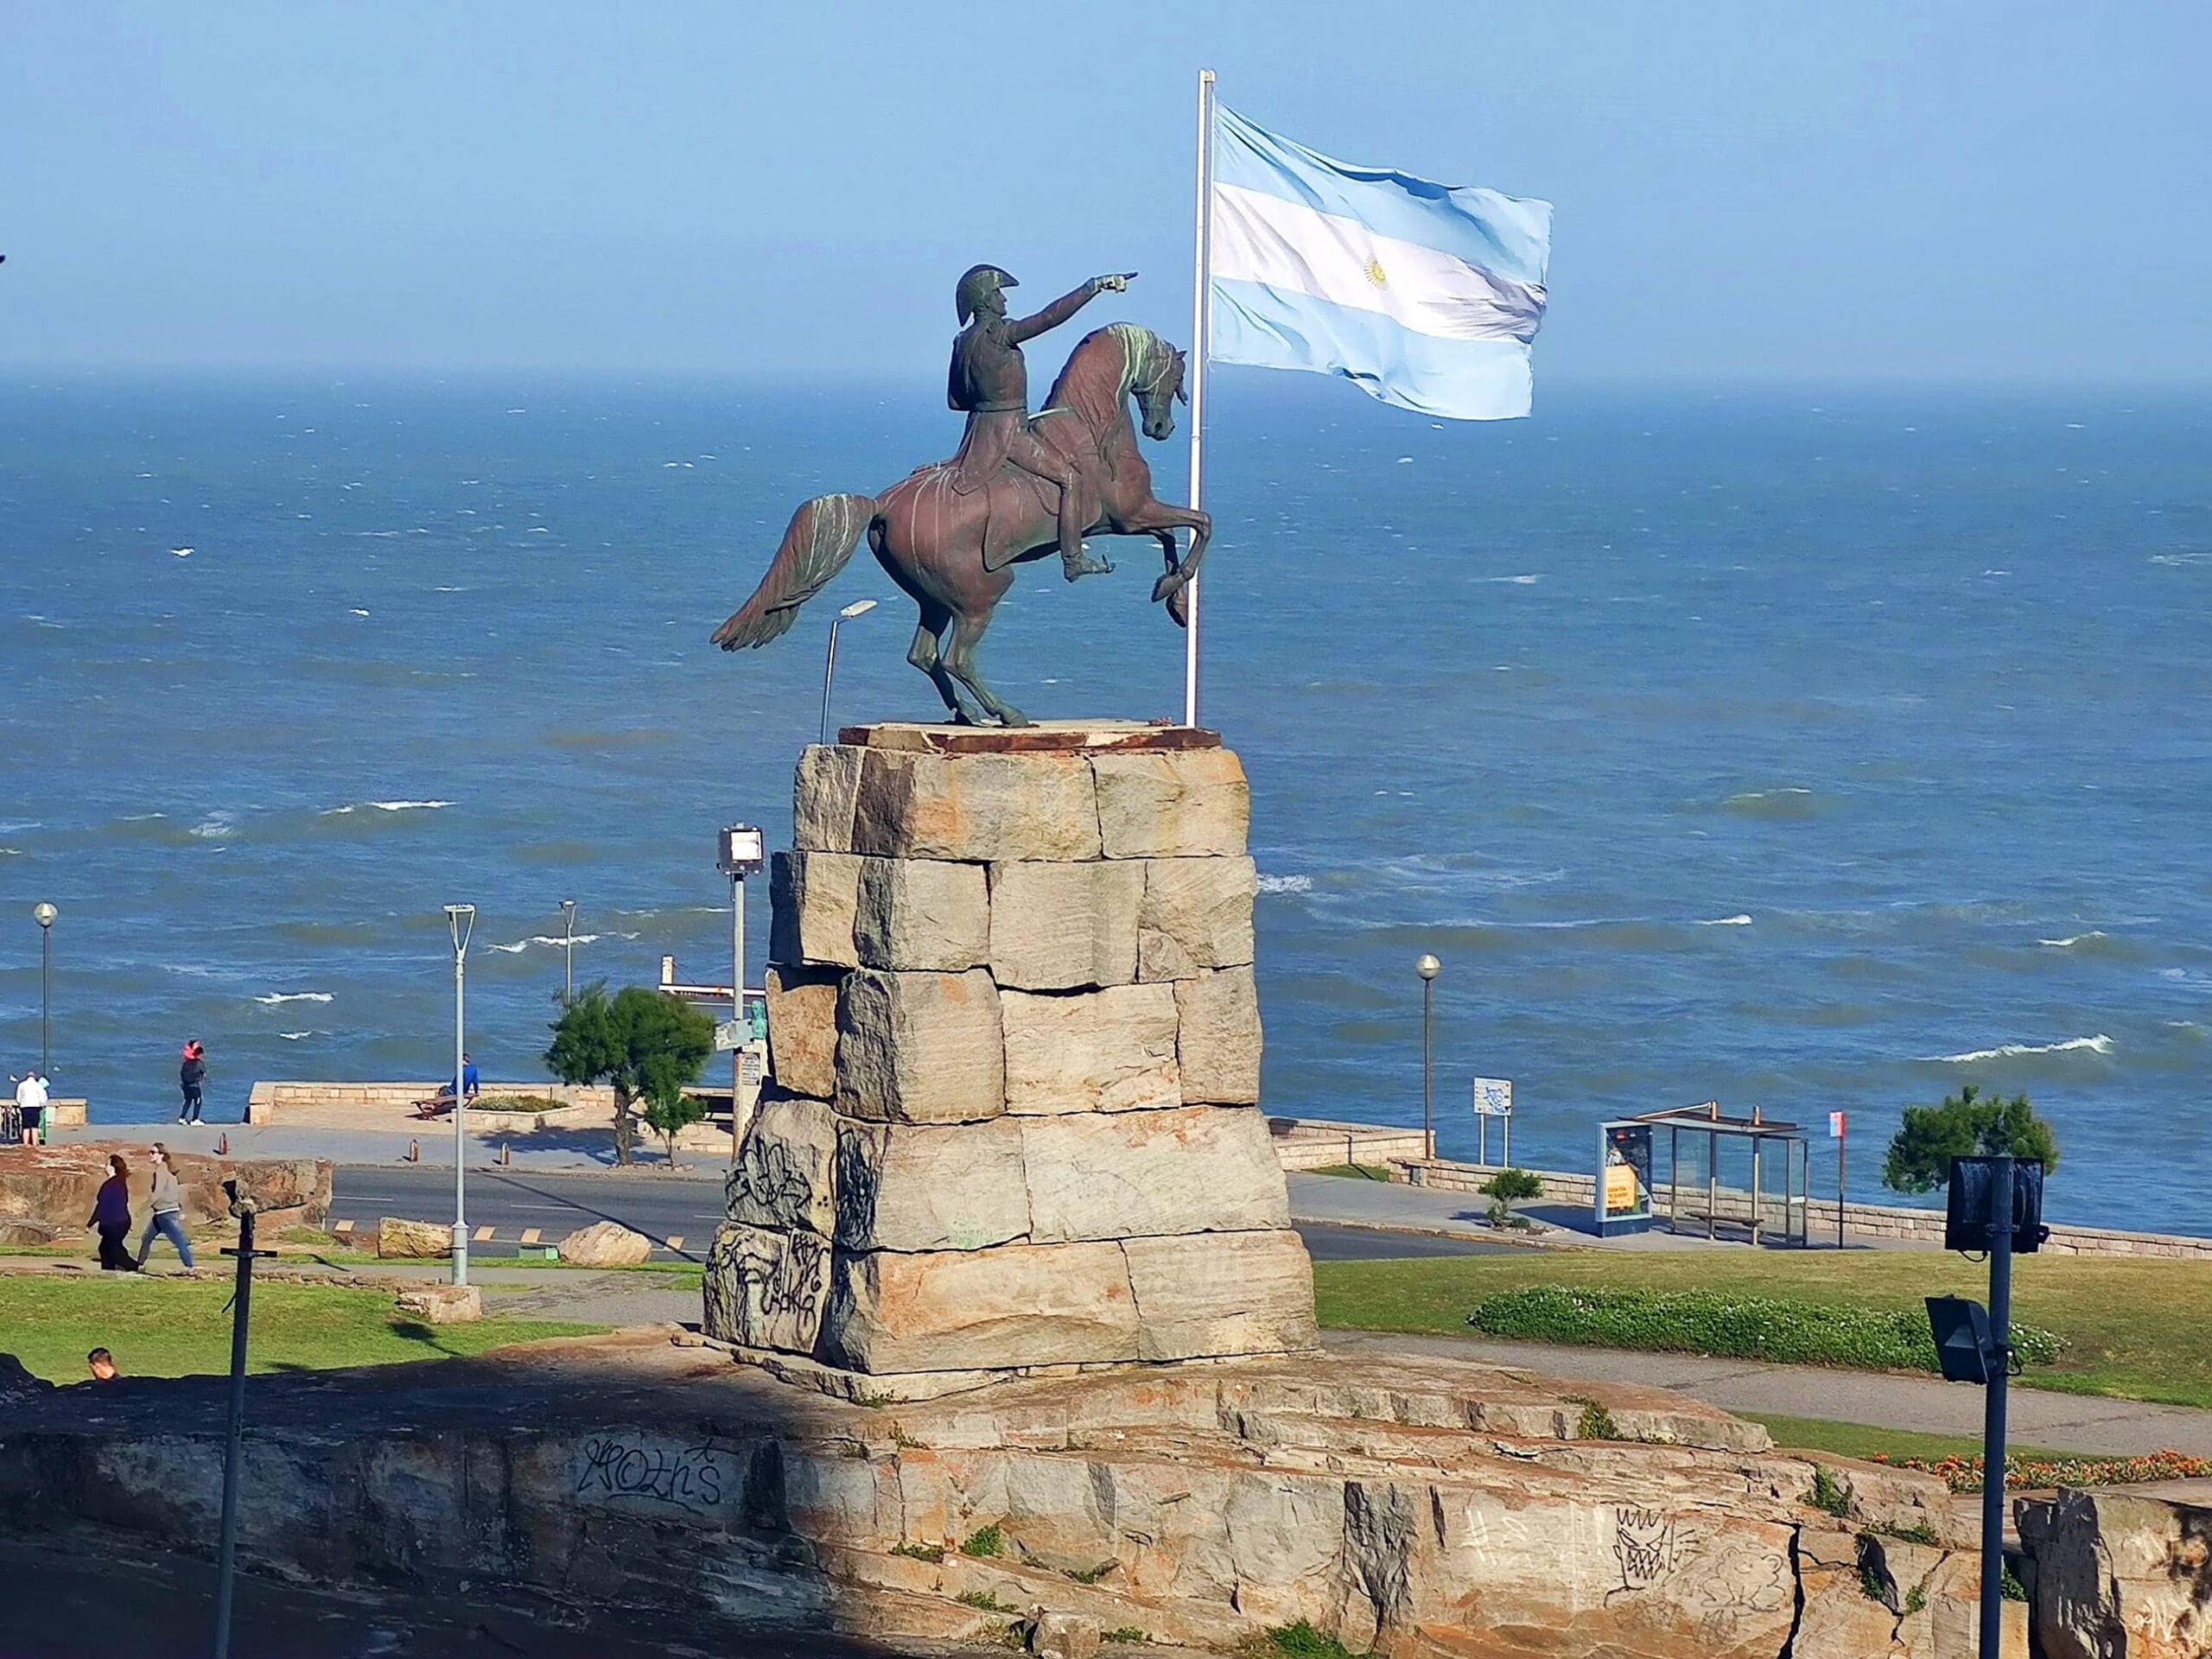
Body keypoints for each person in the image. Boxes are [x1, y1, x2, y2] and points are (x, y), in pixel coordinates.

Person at [945, 264, 1135, 581]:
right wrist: (1092, 286)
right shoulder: (1000, 334)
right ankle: (1073, 559)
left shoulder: (963, 341)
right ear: (984, 301)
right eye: (997, 294)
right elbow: (1049, 318)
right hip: (1010, 432)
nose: (1004, 300)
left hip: (976, 433)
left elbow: (955, 401)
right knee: (1069, 479)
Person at [135, 1143, 195, 1271]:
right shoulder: (169, 1170)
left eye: (153, 1152)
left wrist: (142, 1209)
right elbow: (174, 1192)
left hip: (166, 1213)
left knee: (179, 1241)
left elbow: (157, 1193)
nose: (150, 1155)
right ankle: (139, 1265)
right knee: (146, 1239)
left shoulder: (162, 1170)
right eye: (150, 1152)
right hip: (162, 1213)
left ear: (161, 1155)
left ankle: (190, 1267)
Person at [86, 1154, 137, 1272]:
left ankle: (133, 1267)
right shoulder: (119, 1183)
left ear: (113, 1166)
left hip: (115, 1223)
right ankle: (109, 1271)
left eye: (107, 1164)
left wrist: (91, 1223)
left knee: (112, 1249)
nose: (105, 1167)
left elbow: (102, 1206)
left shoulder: (111, 1185)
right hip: (120, 1222)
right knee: (106, 1248)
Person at [13, 1067, 48, 1147]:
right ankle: (34, 1143)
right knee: (34, 1126)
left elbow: (18, 1098)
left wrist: (21, 1103)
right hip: (35, 1107)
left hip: (24, 1107)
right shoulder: (38, 1086)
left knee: (25, 1127)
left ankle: (25, 1144)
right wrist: (41, 1103)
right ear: (34, 1077)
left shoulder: (21, 1085)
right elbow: (43, 1098)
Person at [178, 1039, 207, 1125]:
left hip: (185, 1085)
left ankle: (182, 1118)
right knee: (198, 1100)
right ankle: (195, 1119)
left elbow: (181, 1073)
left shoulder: (186, 1063)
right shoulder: (199, 1063)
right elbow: (204, 1074)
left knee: (187, 1101)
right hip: (194, 1085)